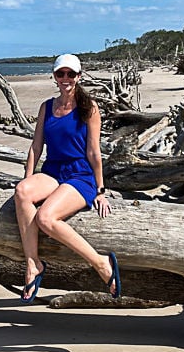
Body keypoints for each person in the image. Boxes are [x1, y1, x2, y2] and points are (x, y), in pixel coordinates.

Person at [14, 54, 121, 303]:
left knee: (46, 218)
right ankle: (33, 264)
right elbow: (35, 147)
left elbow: (94, 151)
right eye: (60, 74)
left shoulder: (89, 107)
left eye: (70, 74)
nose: (65, 79)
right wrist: (28, 180)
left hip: (80, 175)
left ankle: (101, 263)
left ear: (78, 77)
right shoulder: (47, 107)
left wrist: (101, 189)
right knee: (22, 191)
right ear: (54, 76)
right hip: (53, 171)